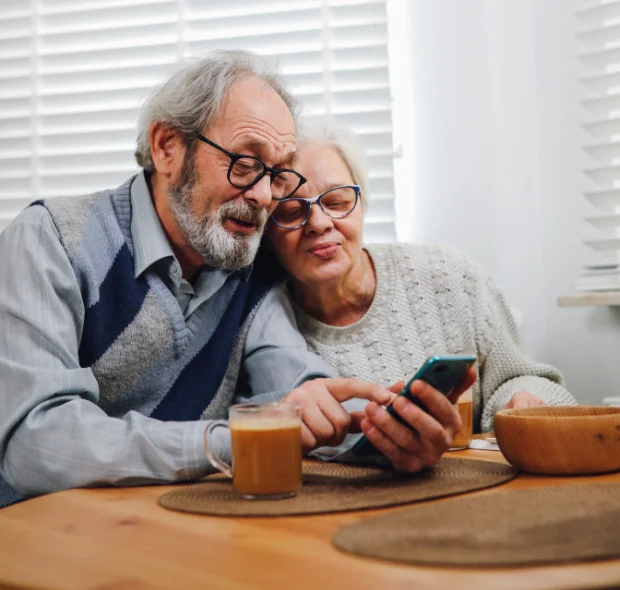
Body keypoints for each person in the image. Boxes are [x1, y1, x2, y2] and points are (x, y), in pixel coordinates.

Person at [0, 51, 401, 508]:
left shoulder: (249, 267)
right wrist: (230, 441)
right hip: (37, 542)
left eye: (277, 173)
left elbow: (299, 394)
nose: (265, 196)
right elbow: (35, 442)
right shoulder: (48, 240)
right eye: (246, 164)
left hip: (182, 541)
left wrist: (385, 433)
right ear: (167, 146)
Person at [242, 117, 577, 470]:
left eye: (338, 201)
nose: (320, 223)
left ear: (363, 204)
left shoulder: (449, 275)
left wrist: (522, 402)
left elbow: (524, 376)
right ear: (267, 231)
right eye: (293, 211)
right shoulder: (262, 330)